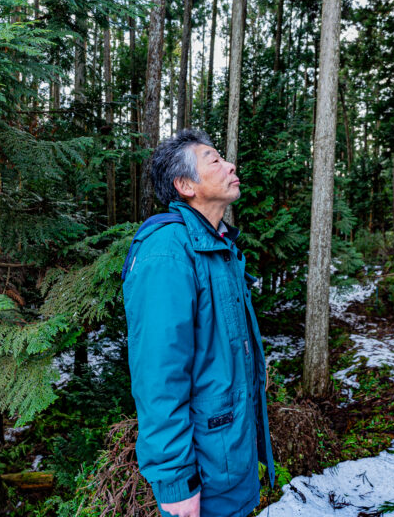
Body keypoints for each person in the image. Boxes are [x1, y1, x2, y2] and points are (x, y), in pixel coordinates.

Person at [123, 129, 274, 517]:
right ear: (186, 185)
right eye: (215, 160)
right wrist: (177, 482)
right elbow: (159, 377)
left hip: (230, 458)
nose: (230, 165)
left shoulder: (219, 246)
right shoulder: (167, 252)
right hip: (203, 476)